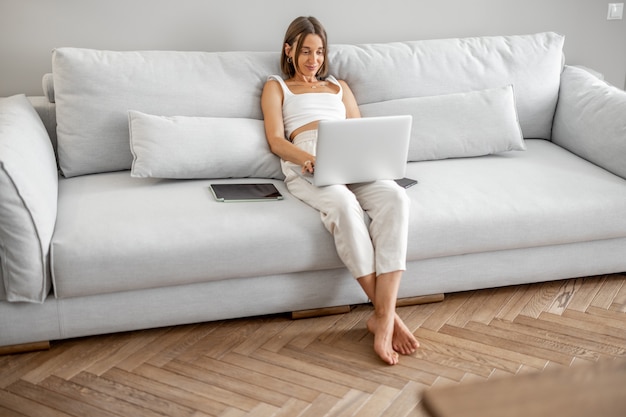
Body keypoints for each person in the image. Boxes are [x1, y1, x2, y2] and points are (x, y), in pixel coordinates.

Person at [261, 16, 419, 365]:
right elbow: (275, 140)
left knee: (395, 197)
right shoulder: (278, 86)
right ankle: (388, 319)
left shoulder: (339, 86)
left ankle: (382, 315)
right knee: (344, 206)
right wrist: (306, 158)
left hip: (350, 157)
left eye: (319, 52)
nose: (313, 60)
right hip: (305, 158)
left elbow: (360, 132)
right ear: (289, 51)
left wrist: (372, 161)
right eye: (305, 51)